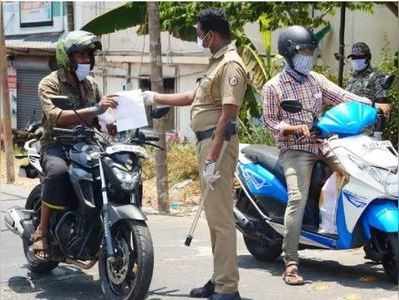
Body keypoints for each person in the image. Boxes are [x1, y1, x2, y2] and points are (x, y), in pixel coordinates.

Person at [262, 25, 390, 286]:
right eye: (304, 51)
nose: (308, 55)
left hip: (324, 143)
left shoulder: (315, 79)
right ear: (288, 53)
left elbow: (344, 96)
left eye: (311, 50)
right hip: (296, 149)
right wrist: (290, 127)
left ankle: (355, 235)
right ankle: (291, 262)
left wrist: (374, 106)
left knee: (362, 173)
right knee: (297, 198)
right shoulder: (273, 87)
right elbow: (269, 122)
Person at [143, 8, 247, 300]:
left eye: (201, 34)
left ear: (212, 35)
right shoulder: (215, 64)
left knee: (222, 219)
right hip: (209, 144)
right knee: (214, 218)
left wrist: (213, 158)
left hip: (218, 145)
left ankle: (228, 289)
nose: (199, 40)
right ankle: (219, 278)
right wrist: (155, 97)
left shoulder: (231, 64)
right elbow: (193, 97)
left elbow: (228, 115)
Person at [31, 30, 118, 260]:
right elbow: (55, 115)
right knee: (58, 173)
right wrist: (95, 110)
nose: (86, 61)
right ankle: (41, 230)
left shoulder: (91, 85)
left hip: (87, 145)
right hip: (56, 144)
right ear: (66, 58)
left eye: (88, 56)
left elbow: (99, 118)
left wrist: (110, 124)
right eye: (80, 56)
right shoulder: (49, 84)